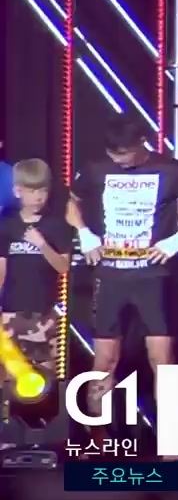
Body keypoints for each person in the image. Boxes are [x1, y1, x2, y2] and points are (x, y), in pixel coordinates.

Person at [67, 116, 178, 420]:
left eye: (123, 154)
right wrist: (83, 232)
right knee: (104, 360)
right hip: (110, 275)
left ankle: (170, 433)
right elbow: (71, 200)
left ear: (141, 144)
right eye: (112, 154)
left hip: (153, 276)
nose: (117, 160)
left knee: (162, 360)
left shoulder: (169, 169)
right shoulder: (97, 168)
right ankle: (98, 433)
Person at [0, 160, 72, 437]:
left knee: (45, 378)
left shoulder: (57, 226)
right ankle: (10, 435)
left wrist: (41, 244)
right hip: (11, 313)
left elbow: (63, 267)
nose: (38, 197)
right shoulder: (7, 226)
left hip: (44, 314)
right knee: (10, 375)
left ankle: (44, 435)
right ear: (18, 191)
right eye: (32, 191)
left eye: (43, 190)